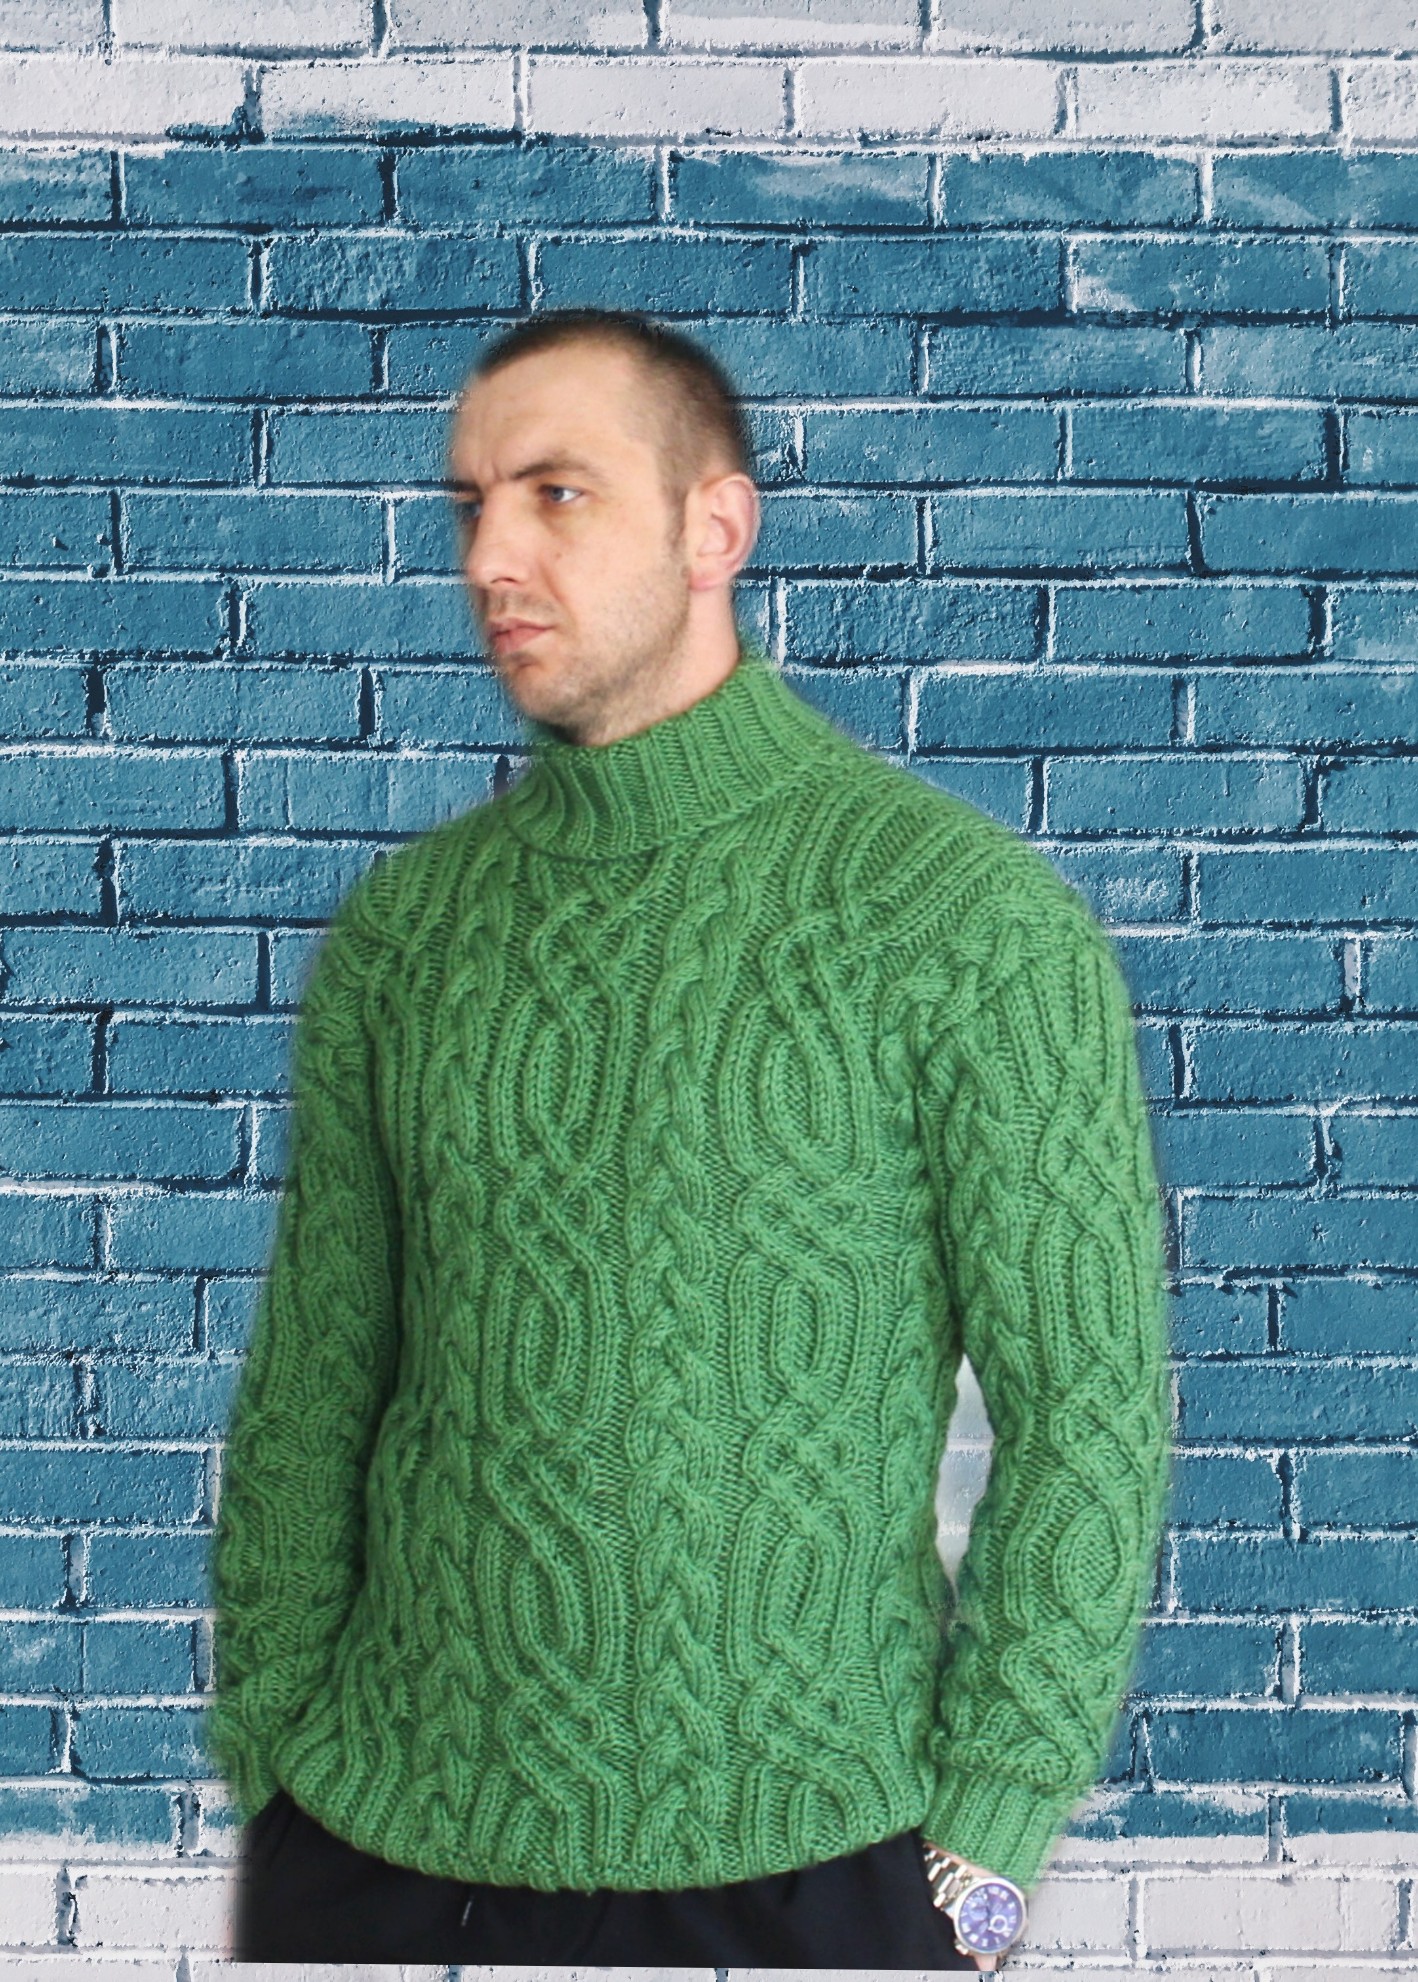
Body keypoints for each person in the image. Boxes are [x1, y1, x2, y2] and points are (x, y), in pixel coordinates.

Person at [207, 308, 1174, 1966]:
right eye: (470, 504)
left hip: (810, 1865)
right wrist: (271, 1753)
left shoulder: (959, 919)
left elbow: (1087, 1411)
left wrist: (990, 1833)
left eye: (557, 493)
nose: (491, 555)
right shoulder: (407, 934)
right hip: (377, 1851)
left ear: (712, 527)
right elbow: (315, 1386)